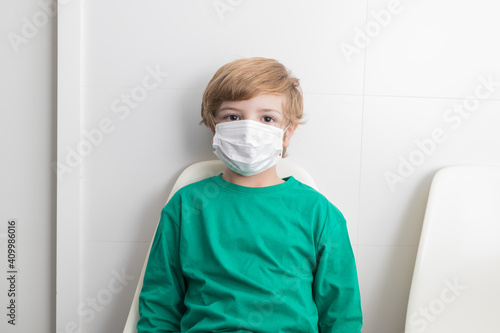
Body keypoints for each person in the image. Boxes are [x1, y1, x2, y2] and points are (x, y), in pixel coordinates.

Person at [137, 57, 363, 332]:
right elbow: (159, 307)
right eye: (233, 116)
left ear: (287, 132)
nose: (248, 130)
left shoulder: (320, 213)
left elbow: (341, 316)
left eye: (267, 118)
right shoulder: (186, 206)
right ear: (214, 127)